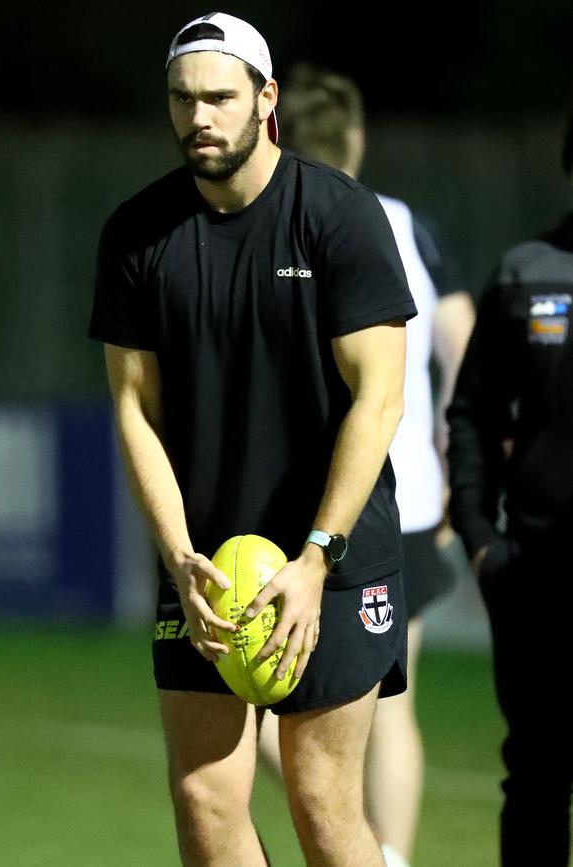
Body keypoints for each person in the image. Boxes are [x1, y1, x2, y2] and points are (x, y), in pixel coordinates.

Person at [89, 12, 417, 866]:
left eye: (220, 98)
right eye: (182, 99)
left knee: (319, 798)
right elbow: (134, 409)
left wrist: (315, 557)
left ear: (266, 99)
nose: (200, 118)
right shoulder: (137, 235)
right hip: (206, 564)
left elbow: (378, 398)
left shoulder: (338, 216)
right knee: (203, 800)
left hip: (332, 557)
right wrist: (177, 555)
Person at [257, 64, 475, 867]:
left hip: (293, 500)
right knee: (392, 707)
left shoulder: (268, 222)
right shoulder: (400, 222)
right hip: (408, 495)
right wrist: (459, 458)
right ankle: (383, 853)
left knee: (252, 708)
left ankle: (360, 846)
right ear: (353, 138)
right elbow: (465, 347)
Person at [447, 110, 573, 866]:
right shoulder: (527, 274)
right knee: (537, 778)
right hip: (539, 578)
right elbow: (470, 414)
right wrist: (481, 539)